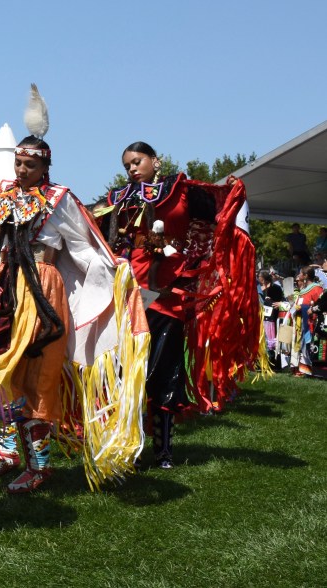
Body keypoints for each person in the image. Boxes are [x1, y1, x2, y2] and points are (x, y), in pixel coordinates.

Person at [0, 85, 147, 492]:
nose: (20, 171)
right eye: (17, 163)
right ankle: (6, 453)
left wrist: (113, 271)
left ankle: (38, 466)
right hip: (1, 286)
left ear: (44, 167)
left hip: (42, 291)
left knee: (39, 370)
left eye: (29, 165)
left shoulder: (59, 199)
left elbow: (83, 248)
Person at [101, 141, 259, 467]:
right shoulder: (118, 200)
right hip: (126, 294)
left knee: (163, 370)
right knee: (124, 372)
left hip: (166, 295)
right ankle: (127, 444)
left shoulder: (181, 190)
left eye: (138, 161)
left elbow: (222, 210)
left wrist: (233, 191)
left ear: (155, 161)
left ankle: (163, 450)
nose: (132, 169)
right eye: (127, 164)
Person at [292, 266, 322, 377]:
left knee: (311, 346)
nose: (298, 276)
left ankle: (314, 370)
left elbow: (321, 304)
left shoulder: (316, 288)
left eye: (300, 274)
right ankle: (305, 370)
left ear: (306, 276)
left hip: (312, 323)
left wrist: (310, 307)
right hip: (302, 322)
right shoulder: (303, 290)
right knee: (303, 346)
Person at [259, 269, 285, 366]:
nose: (258, 278)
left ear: (263, 278)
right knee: (262, 338)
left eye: (259, 276)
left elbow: (279, 301)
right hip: (261, 316)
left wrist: (269, 301)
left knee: (272, 339)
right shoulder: (259, 288)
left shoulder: (276, 288)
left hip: (272, 317)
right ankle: (262, 360)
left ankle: (273, 362)